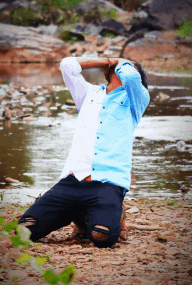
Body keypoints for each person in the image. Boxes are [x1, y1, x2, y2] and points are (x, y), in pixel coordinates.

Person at [19, 57, 150, 248]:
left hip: (107, 183)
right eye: (118, 66)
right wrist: (105, 60)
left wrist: (121, 61)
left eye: (128, 66)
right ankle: (79, 215)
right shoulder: (88, 94)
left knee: (102, 237)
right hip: (73, 181)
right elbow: (67, 66)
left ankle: (103, 214)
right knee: (24, 230)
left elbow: (130, 76)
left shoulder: (136, 100)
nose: (123, 68)